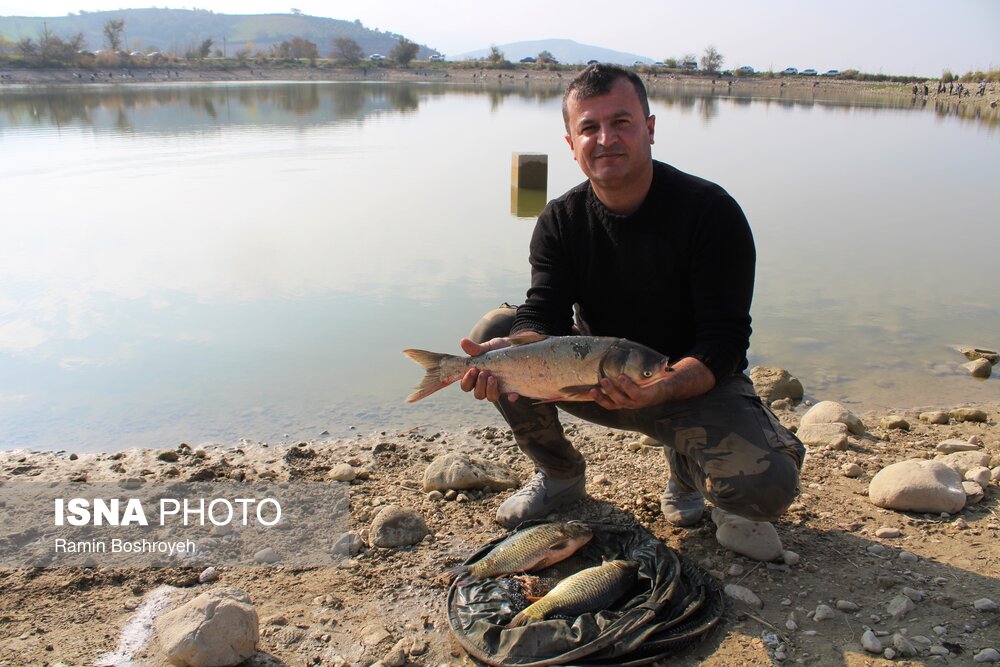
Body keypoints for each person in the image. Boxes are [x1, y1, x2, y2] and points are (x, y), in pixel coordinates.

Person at [459, 64, 805, 532]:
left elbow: (724, 344)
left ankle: (687, 467)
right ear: (571, 145)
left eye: (621, 122)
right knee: (496, 333)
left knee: (764, 492)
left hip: (686, 379)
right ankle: (559, 474)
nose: (606, 139)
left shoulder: (710, 212)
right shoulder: (560, 220)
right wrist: (516, 351)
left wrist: (659, 388)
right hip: (594, 374)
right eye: (589, 128)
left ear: (650, 128)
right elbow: (545, 308)